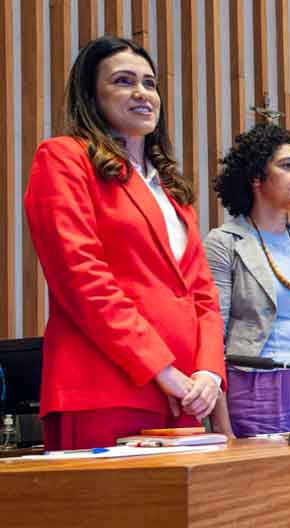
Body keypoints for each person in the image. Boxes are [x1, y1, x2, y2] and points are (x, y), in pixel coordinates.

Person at [23, 36, 224, 452]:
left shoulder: (169, 186)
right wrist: (161, 369)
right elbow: (83, 280)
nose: (142, 93)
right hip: (107, 388)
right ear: (92, 98)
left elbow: (202, 294)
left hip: (183, 396)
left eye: (150, 83)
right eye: (124, 81)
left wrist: (208, 373)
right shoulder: (64, 158)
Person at [204, 123, 290, 438]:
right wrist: (221, 423)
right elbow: (214, 333)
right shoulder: (224, 242)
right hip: (256, 380)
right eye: (287, 166)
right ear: (256, 177)